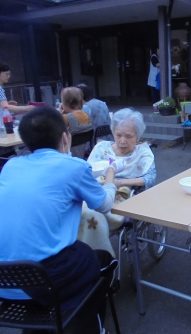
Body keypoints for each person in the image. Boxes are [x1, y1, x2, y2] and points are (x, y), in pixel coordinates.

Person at [0, 106, 118, 333]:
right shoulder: (74, 167)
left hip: (4, 281)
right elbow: (104, 204)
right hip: (41, 279)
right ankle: (92, 326)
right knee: (99, 259)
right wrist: (111, 179)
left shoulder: (11, 166)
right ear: (65, 136)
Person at [78, 108, 156, 254]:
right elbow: (87, 172)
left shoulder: (142, 153)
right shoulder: (101, 148)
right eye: (118, 135)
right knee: (75, 211)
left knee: (92, 215)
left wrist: (120, 183)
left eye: (129, 136)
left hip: (122, 195)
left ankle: (97, 256)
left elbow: (149, 179)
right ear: (113, 131)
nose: (122, 141)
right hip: (95, 191)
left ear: (138, 136)